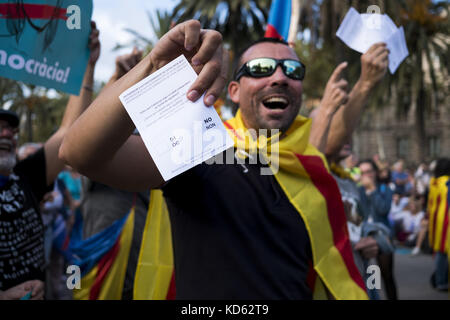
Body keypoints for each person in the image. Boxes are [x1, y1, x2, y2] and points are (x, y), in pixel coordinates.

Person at [61, 20, 369, 299]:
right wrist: (154, 69)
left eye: (293, 70)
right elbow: (78, 154)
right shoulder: (202, 150)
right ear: (233, 90)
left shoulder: (314, 170)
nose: (280, 77)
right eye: (261, 68)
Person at [0, 21, 100, 300]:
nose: (8, 133)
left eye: (12, 129)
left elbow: (70, 131)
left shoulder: (27, 177)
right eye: (0, 127)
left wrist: (87, 66)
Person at [358, 159, 397, 300]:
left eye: (369, 171)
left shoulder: (384, 189)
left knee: (386, 274)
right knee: (370, 274)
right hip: (365, 235)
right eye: (362, 173)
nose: (366, 175)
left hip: (382, 234)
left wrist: (373, 190)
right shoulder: (358, 190)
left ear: (375, 172)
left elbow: (383, 209)